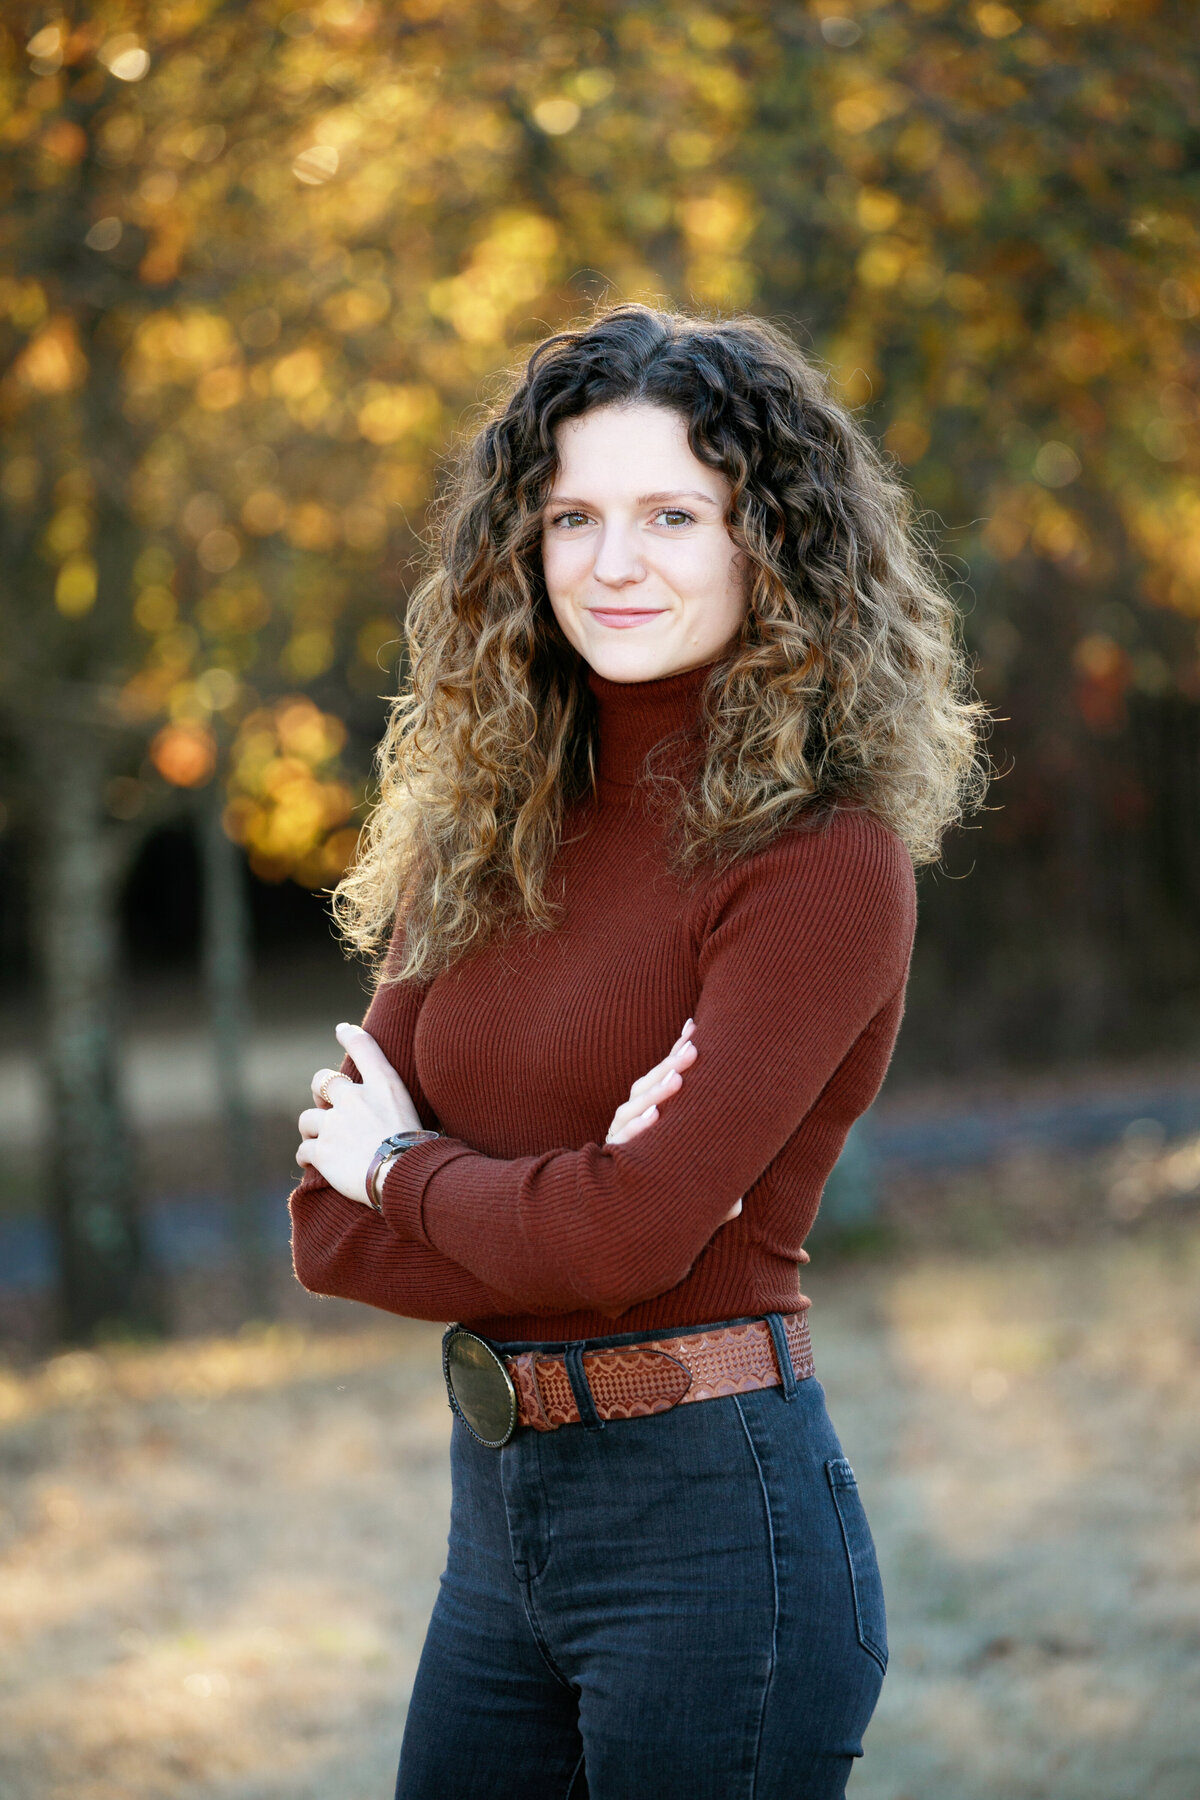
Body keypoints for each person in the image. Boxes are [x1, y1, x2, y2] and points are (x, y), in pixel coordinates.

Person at [289, 304, 984, 1800]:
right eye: (572, 517)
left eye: (675, 513)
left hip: (716, 1535)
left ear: (770, 543)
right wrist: (575, 1202)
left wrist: (414, 1162)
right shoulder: (484, 828)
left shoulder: (822, 860)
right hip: (496, 1532)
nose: (614, 563)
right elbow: (326, 1235)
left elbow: (624, 1236)